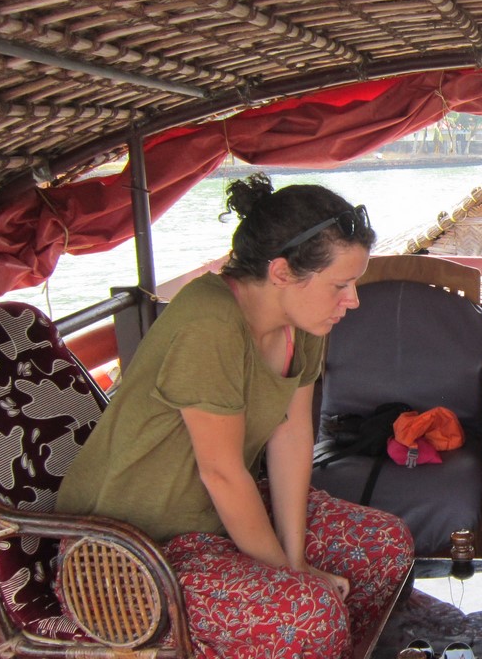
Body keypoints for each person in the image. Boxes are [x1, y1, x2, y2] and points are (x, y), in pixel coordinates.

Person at [57, 173, 413, 658]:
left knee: (385, 547)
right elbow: (222, 473)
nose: (352, 300)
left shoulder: (303, 320)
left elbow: (291, 436)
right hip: (123, 551)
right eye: (340, 285)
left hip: (212, 523)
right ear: (281, 272)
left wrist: (294, 560)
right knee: (307, 611)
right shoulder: (209, 322)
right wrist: (291, 581)